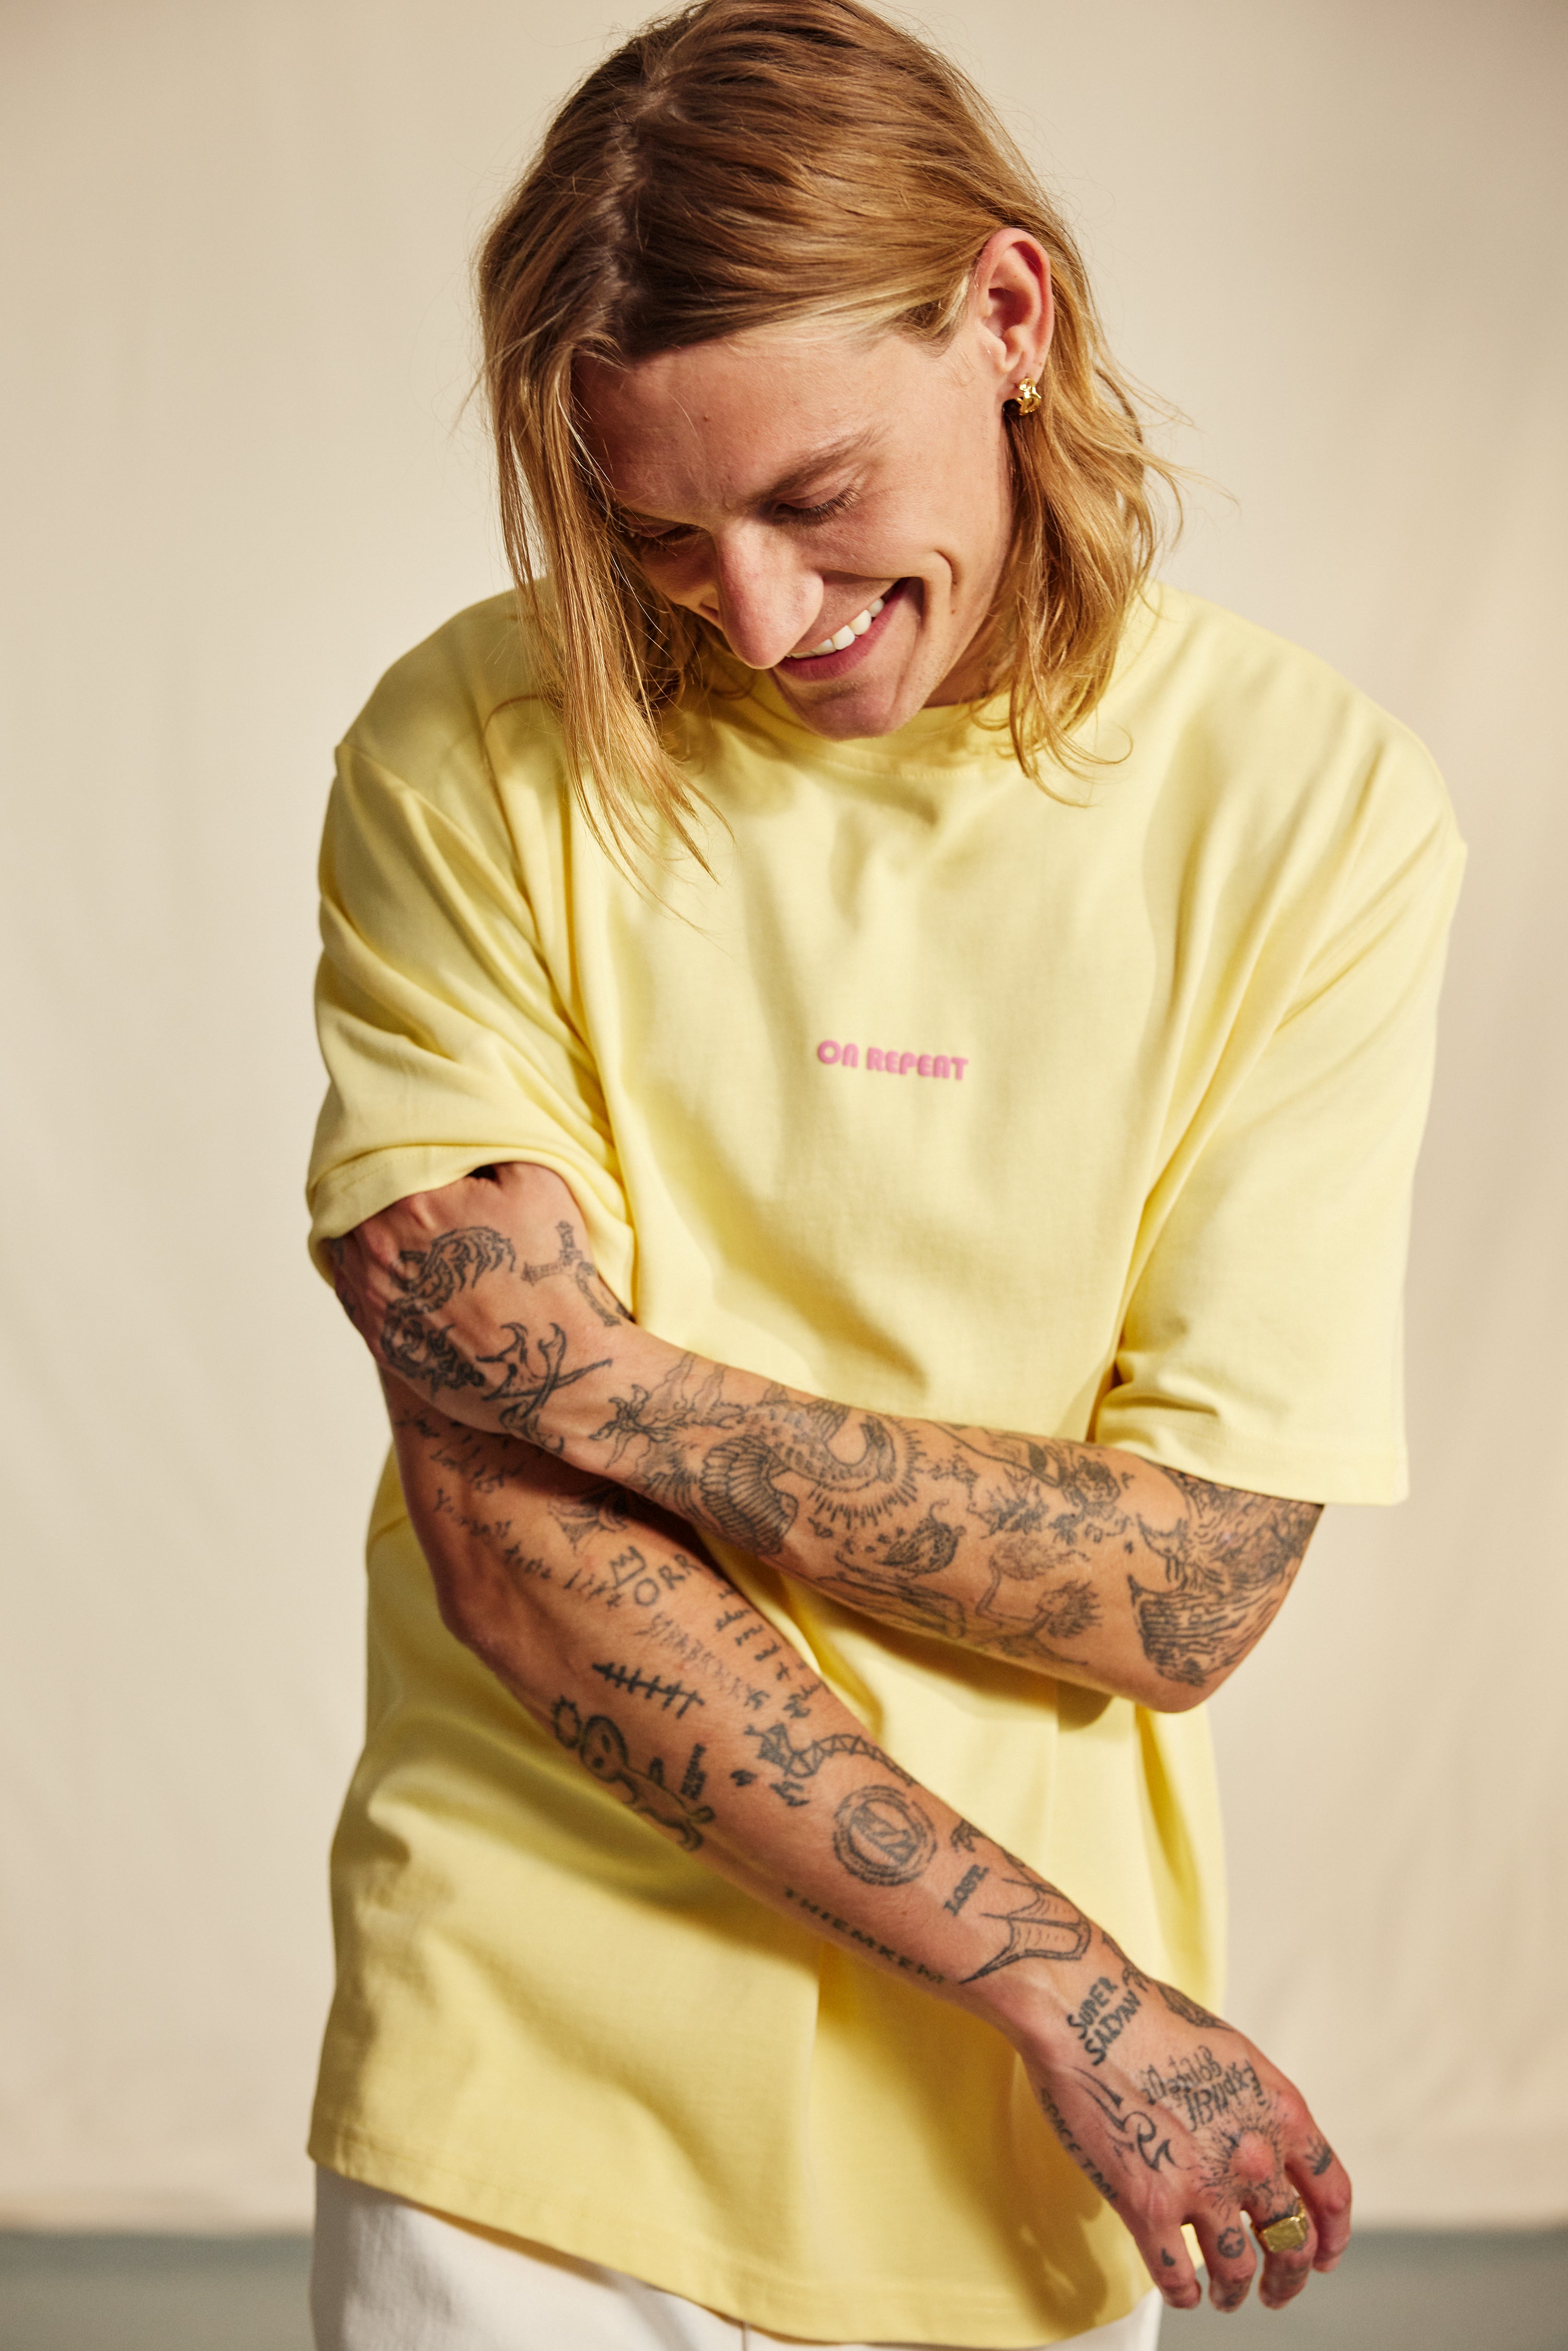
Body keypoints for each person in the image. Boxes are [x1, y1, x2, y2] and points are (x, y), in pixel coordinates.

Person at [304, 3, 1463, 2344]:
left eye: (813, 496)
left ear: (1007, 316)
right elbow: (506, 1545)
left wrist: (611, 1387)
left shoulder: (1314, 813)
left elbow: (1186, 1587)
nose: (752, 612)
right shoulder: (472, 750)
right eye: (659, 530)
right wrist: (1066, 1984)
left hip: (1025, 2163)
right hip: (529, 2103)